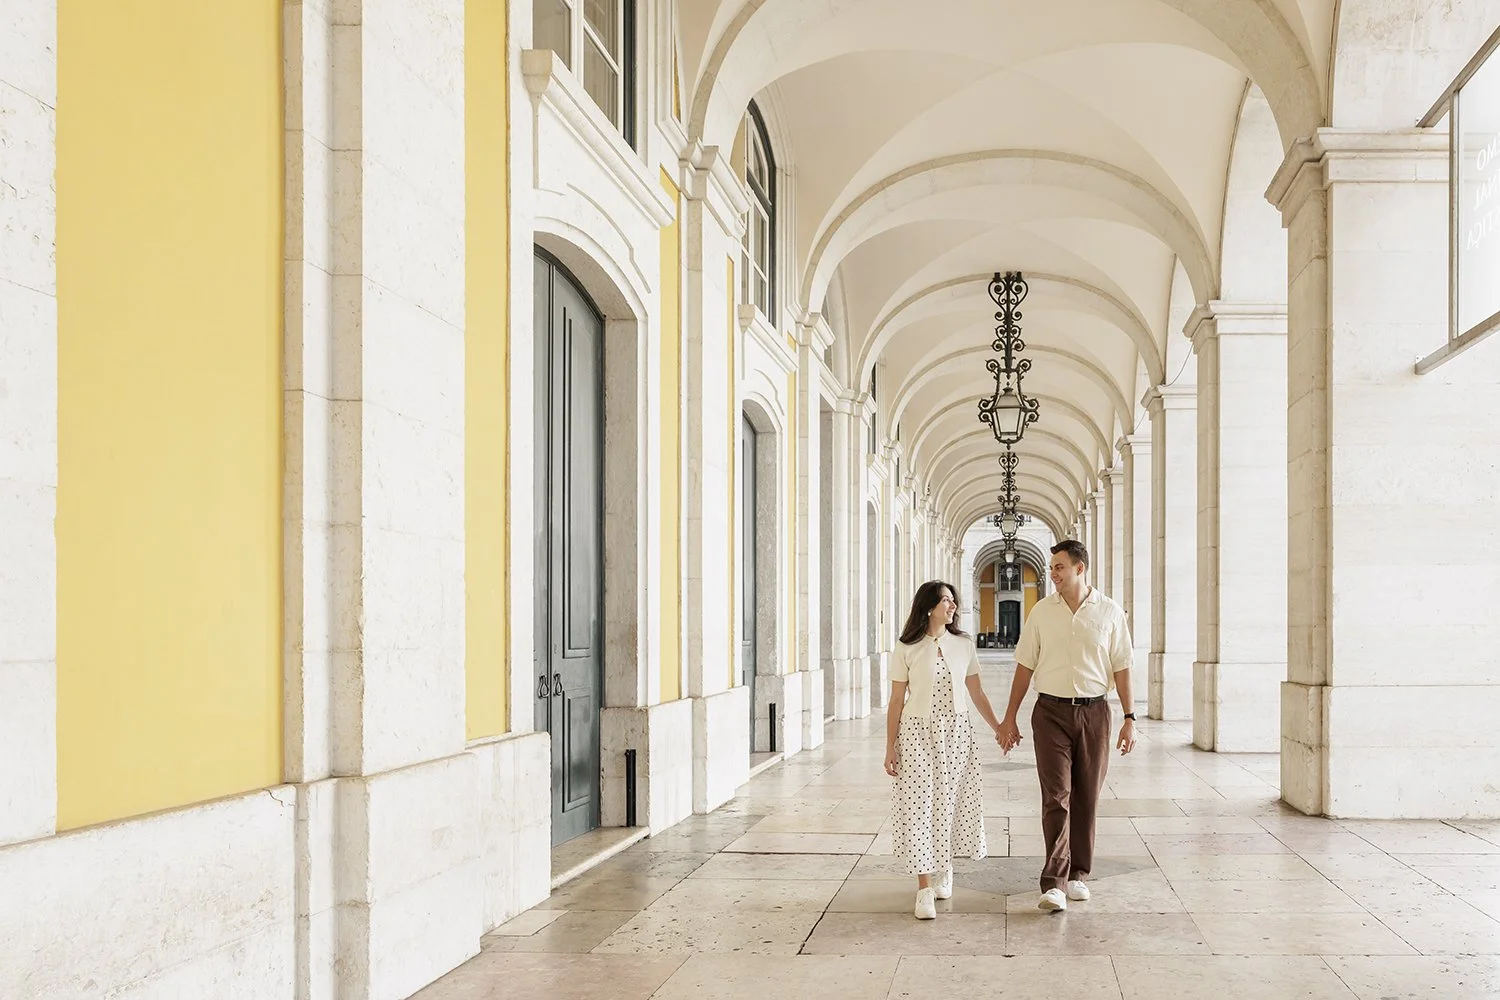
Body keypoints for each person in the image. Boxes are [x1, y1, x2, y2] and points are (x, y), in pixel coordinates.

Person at [995, 540, 1137, 912]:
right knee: (1056, 797)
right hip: (1050, 713)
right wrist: (1009, 716)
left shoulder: (1108, 612)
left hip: (1094, 713)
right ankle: (1054, 882)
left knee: (1086, 797)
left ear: (1080, 568)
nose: (1053, 574)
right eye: (1052, 568)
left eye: (1059, 567)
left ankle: (1078, 875)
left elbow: (1122, 666)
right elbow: (1025, 666)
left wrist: (1129, 717)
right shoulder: (1042, 612)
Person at [884, 580, 1005, 920]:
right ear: (928, 607)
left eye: (953, 601)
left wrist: (998, 727)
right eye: (946, 601)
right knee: (918, 805)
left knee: (949, 802)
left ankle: (944, 867)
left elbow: (977, 693)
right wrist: (890, 748)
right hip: (916, 732)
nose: (952, 606)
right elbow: (896, 701)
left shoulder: (964, 645)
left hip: (956, 732)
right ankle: (923, 888)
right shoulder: (907, 647)